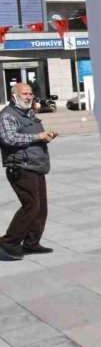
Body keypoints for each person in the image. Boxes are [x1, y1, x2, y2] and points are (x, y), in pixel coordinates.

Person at [0, 83, 58, 260]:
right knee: (31, 205)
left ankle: (31, 243)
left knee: (41, 208)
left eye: (30, 93)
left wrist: (46, 136)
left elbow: (33, 136)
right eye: (24, 93)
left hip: (36, 165)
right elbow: (8, 138)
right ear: (14, 96)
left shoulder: (29, 113)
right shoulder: (7, 115)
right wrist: (37, 137)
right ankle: (8, 243)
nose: (28, 96)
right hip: (20, 167)